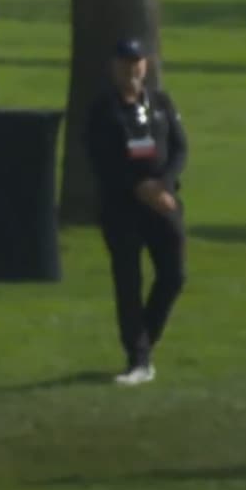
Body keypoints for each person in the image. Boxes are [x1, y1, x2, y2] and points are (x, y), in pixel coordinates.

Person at [85, 36, 190, 386]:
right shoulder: (104, 110)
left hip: (162, 203)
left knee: (174, 275)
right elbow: (102, 159)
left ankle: (144, 337)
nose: (133, 70)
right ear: (114, 67)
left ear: (146, 65)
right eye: (126, 63)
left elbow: (178, 147)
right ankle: (138, 358)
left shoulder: (160, 101)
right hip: (122, 207)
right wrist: (139, 186)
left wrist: (165, 182)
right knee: (128, 280)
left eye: (138, 63)